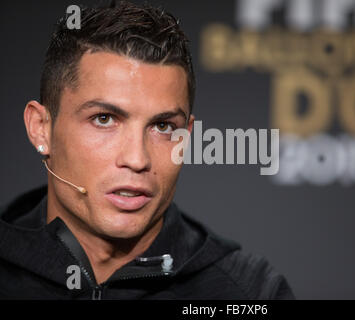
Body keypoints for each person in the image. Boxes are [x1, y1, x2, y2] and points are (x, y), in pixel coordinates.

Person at [0, 1, 295, 299]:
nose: (137, 159)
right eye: (104, 119)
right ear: (41, 128)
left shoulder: (250, 293)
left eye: (163, 126)